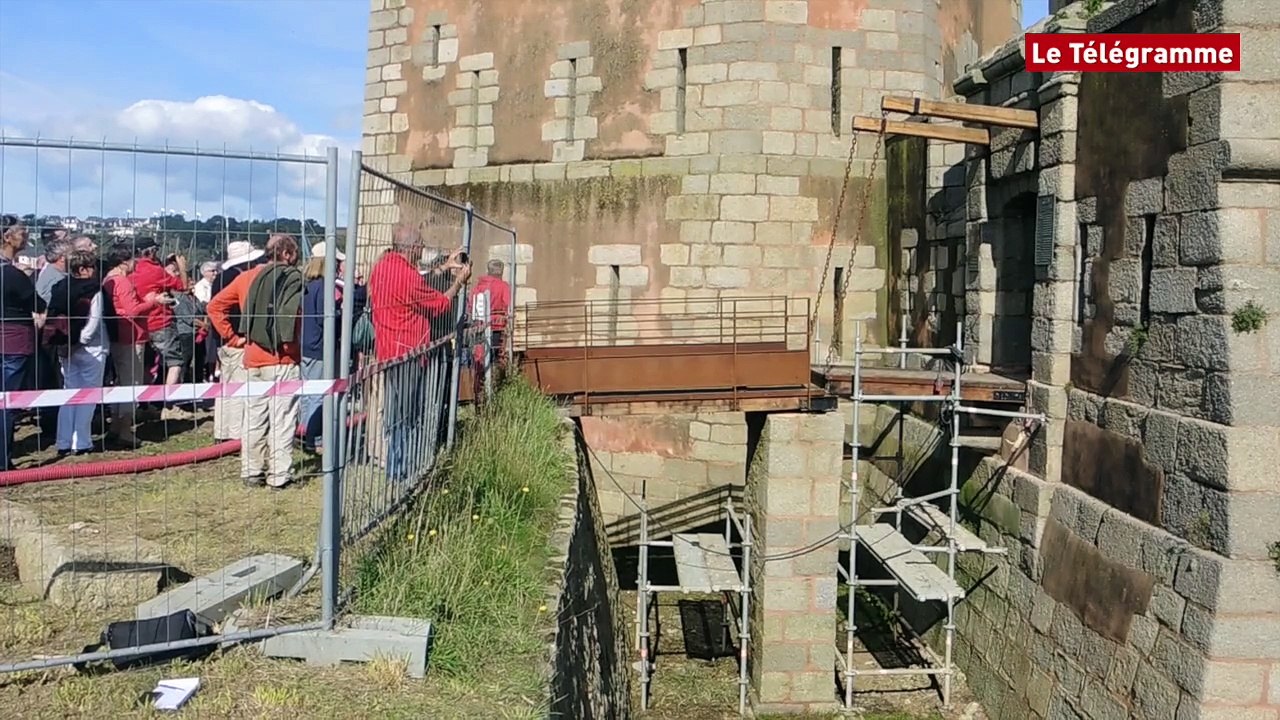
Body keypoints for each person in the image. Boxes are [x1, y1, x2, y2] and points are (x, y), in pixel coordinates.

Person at [367, 223, 470, 483]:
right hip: (410, 353)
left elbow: (417, 282)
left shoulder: (383, 268)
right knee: (407, 416)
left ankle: (396, 465)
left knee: (394, 413)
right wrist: (458, 281)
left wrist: (444, 267)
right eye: (421, 244)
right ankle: (405, 470)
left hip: (388, 350)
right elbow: (439, 304)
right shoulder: (407, 277)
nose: (423, 248)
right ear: (412, 248)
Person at [207, 234, 303, 489]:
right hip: (283, 358)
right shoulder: (289, 278)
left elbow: (214, 307)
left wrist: (233, 337)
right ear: (286, 254)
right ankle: (279, 475)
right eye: (294, 254)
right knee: (282, 418)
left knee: (254, 416)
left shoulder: (246, 278)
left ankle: (251, 471)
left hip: (252, 358)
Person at [298, 241, 362, 455]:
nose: (336, 265)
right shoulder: (325, 287)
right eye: (334, 261)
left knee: (308, 394)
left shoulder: (308, 285)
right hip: (320, 347)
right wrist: (341, 312)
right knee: (319, 395)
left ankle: (305, 434)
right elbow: (326, 319)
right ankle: (315, 439)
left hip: (306, 345)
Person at [101, 241, 162, 448]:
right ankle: (126, 430)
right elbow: (133, 310)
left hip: (119, 336)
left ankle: (116, 427)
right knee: (131, 384)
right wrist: (153, 301)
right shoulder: (123, 282)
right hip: (131, 336)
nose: (137, 261)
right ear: (125, 261)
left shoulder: (108, 279)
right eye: (134, 258)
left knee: (121, 382)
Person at [47, 250, 106, 456]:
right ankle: (81, 442)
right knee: (88, 395)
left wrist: (67, 342)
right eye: (92, 267)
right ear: (83, 269)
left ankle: (63, 441)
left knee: (69, 392)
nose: (95, 271)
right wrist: (81, 340)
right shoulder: (93, 290)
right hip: (90, 348)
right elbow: (94, 320)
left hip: (64, 345)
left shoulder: (60, 287)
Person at [208, 240, 266, 441]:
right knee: (238, 387)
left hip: (222, 340)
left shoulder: (220, 278)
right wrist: (234, 337)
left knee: (225, 385)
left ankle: (221, 431)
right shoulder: (238, 279)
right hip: (236, 340)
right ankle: (234, 435)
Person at [0, 215, 45, 470]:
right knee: (7, 404)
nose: (26, 235)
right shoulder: (13, 276)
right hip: (14, 345)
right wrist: (28, 276)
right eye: (22, 232)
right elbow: (38, 304)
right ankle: (3, 460)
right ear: (7, 237)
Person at [130, 240, 189, 420]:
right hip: (160, 321)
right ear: (152, 251)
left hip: (140, 323)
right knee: (175, 362)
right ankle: (169, 405)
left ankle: (143, 404)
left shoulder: (133, 269)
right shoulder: (155, 271)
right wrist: (181, 265)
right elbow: (183, 286)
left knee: (147, 365)